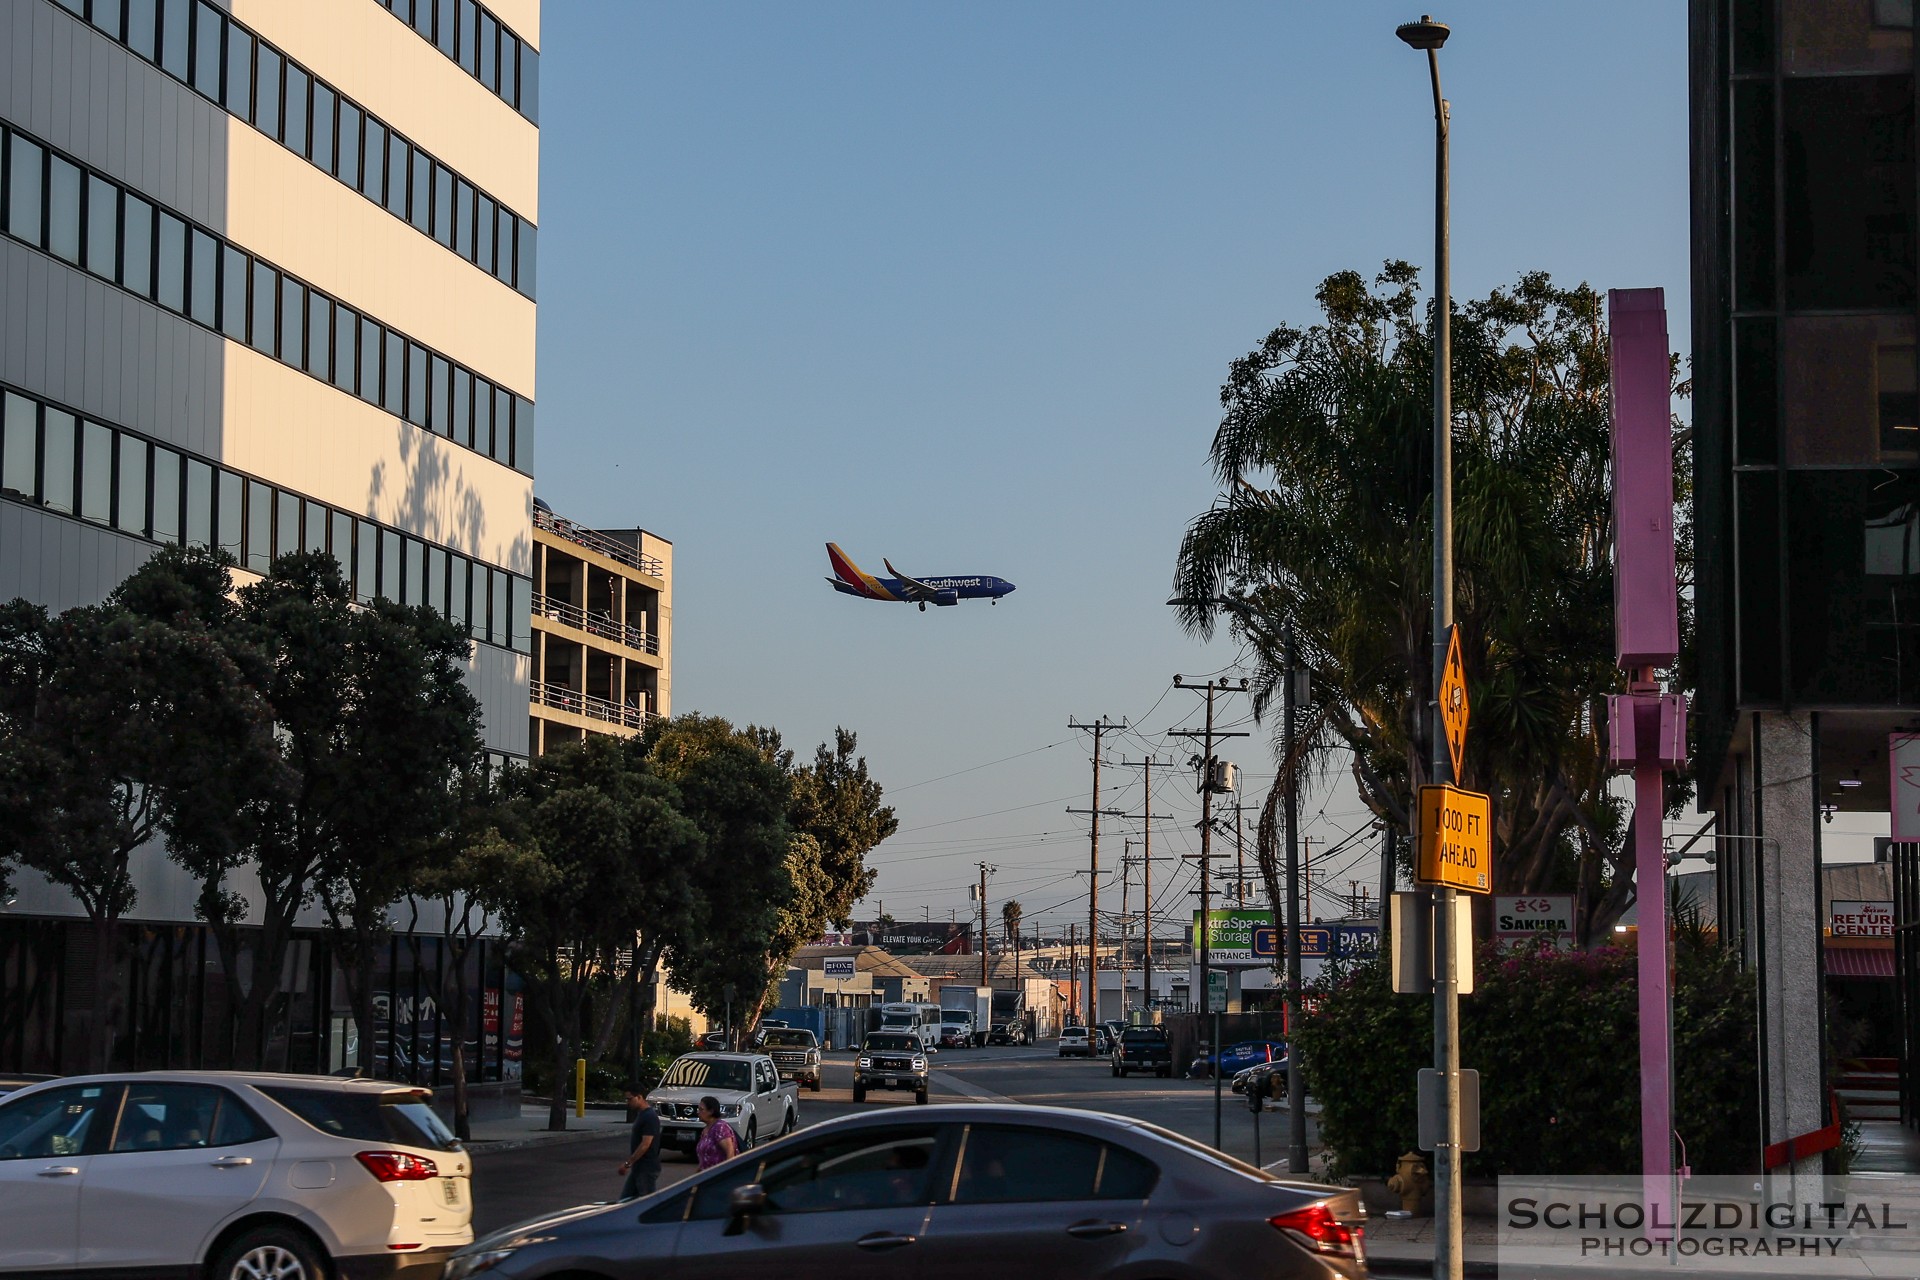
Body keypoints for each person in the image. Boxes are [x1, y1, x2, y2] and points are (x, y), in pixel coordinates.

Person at [617, 1084, 662, 1200]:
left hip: (647, 1168)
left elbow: (645, 1144)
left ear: (640, 1097)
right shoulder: (642, 1115)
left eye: (630, 1099)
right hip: (639, 1168)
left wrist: (628, 1163)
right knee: (624, 1201)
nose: (628, 1102)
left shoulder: (649, 1117)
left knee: (646, 1202)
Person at [694, 1095, 738, 1170]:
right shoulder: (706, 1130)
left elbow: (730, 1152)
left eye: (701, 1109)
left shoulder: (720, 1127)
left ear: (711, 1111)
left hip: (719, 1175)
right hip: (707, 1175)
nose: (698, 1112)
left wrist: (726, 1172)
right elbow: (703, 1160)